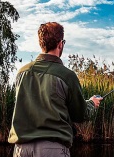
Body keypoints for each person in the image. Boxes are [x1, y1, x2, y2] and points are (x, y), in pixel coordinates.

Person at [8, 22, 103, 157]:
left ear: (42, 43)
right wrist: (92, 103)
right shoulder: (67, 76)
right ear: (60, 44)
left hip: (21, 150)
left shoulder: (22, 73)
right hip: (52, 150)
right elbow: (80, 114)